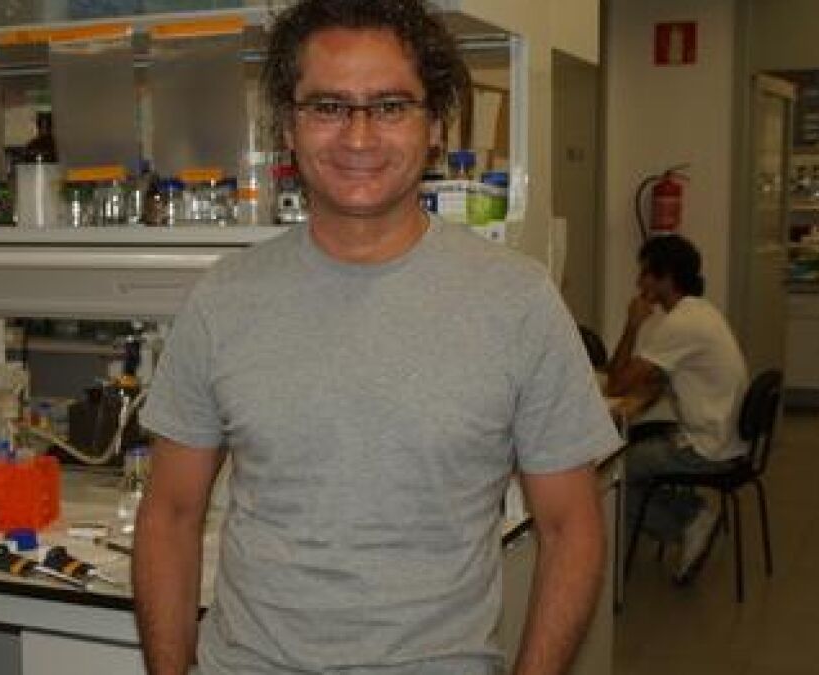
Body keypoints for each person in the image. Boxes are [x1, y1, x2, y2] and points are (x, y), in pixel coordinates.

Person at [131, 1, 621, 673]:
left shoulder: (518, 302)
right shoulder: (224, 299)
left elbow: (572, 528)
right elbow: (170, 512)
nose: (358, 137)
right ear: (289, 127)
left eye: (390, 106)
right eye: (328, 106)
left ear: (435, 125)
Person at [606, 234, 748, 584]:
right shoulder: (700, 311)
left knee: (616, 470)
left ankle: (689, 521)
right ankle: (690, 516)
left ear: (666, 277)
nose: (639, 283)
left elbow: (616, 385)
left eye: (645, 274)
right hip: (726, 437)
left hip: (708, 447)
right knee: (638, 449)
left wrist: (632, 324)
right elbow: (656, 378)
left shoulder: (680, 324)